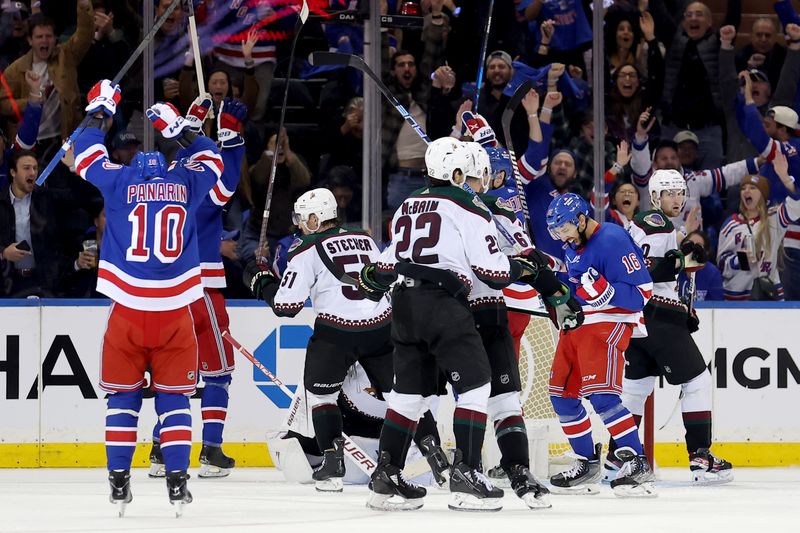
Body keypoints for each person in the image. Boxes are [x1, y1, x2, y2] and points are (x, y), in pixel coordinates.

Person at [357, 138, 559, 511]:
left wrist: (373, 277)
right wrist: (523, 269)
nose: (481, 184)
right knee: (478, 386)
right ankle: (467, 474)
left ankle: (386, 476)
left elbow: (387, 263)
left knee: (410, 395)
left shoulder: (408, 204)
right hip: (446, 305)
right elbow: (493, 270)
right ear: (457, 173)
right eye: (476, 176)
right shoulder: (469, 205)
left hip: (407, 305)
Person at [73, 79, 225, 515]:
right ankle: (177, 480)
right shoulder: (185, 181)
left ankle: (119, 479)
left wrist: (101, 110)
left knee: (122, 399)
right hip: (176, 312)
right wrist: (180, 130)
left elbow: (84, 152)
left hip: (127, 311)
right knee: (174, 400)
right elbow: (214, 159)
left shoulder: (120, 181)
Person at [246, 188, 397, 493]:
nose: (299, 225)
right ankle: (436, 458)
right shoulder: (366, 238)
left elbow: (286, 307)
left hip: (338, 331)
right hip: (381, 327)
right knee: (402, 397)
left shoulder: (304, 249)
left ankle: (332, 464)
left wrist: (262, 281)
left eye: (303, 219)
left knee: (321, 396)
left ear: (315, 219)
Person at [461, 141, 584, 509]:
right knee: (482, 390)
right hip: (486, 305)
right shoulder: (481, 203)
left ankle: (491, 464)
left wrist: (554, 289)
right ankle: (465, 461)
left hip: (496, 303)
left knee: (487, 390)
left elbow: (522, 253)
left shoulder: (494, 205)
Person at [608, 169, 733, 485]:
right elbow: (648, 269)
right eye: (670, 193)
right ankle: (701, 458)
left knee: (636, 390)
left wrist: (684, 242)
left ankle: (615, 460)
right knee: (697, 382)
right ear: (655, 197)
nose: (677, 199)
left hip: (638, 319)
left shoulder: (652, 225)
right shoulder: (655, 223)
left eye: (680, 192)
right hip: (658, 316)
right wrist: (683, 258)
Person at [149, 96, 247, 479]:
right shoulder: (198, 187)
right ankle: (211, 449)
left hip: (167, 293)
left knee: (174, 375)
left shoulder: (162, 184)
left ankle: (160, 449)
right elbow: (226, 181)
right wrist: (232, 140)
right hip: (202, 289)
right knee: (218, 373)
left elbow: (195, 156)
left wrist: (193, 123)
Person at [544, 193, 655, 498]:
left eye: (565, 228)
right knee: (562, 396)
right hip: (577, 327)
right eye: (557, 232)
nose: (562, 237)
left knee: (603, 396)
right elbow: (579, 289)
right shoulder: (572, 247)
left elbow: (643, 292)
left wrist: (607, 292)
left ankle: (637, 462)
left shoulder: (612, 239)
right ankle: (586, 464)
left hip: (607, 324)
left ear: (582, 219)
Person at [631, 108, 759, 231]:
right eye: (664, 158)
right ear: (654, 164)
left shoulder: (693, 180)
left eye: (673, 157)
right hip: (656, 249)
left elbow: (727, 174)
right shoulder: (647, 182)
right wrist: (640, 137)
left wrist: (757, 162)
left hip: (690, 247)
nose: (669, 161)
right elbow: (640, 165)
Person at [0, 1, 94, 150]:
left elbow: (85, 34)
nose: (44, 40)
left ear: (55, 39)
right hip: (31, 146)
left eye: (48, 36)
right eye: (39, 36)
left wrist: (83, 6)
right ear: (30, 40)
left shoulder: (66, 56)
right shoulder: (15, 70)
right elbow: (3, 103)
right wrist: (31, 102)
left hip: (65, 141)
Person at [718, 154, 800, 301]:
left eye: (752, 188)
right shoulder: (730, 225)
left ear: (763, 195)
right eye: (743, 188)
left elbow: (797, 207)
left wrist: (785, 178)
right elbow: (722, 264)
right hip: (737, 296)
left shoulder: (774, 218)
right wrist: (738, 261)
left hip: (768, 295)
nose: (746, 191)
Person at [678, 231, 723, 302]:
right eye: (690, 244)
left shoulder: (712, 273)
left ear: (706, 252)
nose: (693, 249)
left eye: (698, 246)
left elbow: (716, 306)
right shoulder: (673, 268)